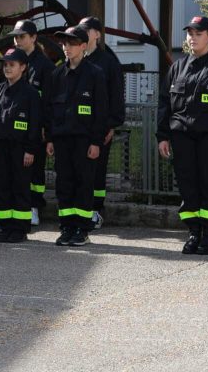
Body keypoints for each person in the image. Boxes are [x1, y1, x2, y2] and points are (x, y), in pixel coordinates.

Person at [157, 16, 208, 255]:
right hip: (182, 137)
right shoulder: (178, 67)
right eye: (190, 33)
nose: (192, 38)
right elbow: (165, 103)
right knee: (187, 185)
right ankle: (194, 232)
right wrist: (162, 136)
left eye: (198, 34)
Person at [47, 26, 106, 247]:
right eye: (64, 44)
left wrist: (96, 142)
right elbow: (49, 109)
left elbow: (101, 112)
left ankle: (82, 228)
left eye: (71, 43)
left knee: (84, 184)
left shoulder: (95, 74)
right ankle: (67, 227)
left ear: (83, 46)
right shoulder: (56, 75)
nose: (67, 48)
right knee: (64, 184)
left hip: (84, 140)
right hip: (62, 139)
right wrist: (50, 139)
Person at [0, 48, 42, 243]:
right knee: (3, 187)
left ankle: (20, 228)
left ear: (23, 67)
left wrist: (30, 150)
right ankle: (5, 227)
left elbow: (35, 125)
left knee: (20, 187)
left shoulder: (31, 93)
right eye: (5, 65)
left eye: (12, 64)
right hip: (2, 147)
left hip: (21, 149)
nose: (7, 68)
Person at [77, 17, 124, 230]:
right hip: (78, 127)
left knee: (97, 170)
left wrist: (111, 125)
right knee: (78, 171)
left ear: (97, 34)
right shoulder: (75, 59)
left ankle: (96, 210)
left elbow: (116, 96)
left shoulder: (108, 62)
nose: (82, 34)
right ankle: (79, 210)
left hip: (100, 128)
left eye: (86, 30)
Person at [8, 20, 55, 226]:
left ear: (34, 38)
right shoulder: (12, 61)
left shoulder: (45, 66)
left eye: (22, 36)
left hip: (36, 127)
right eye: (15, 37)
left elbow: (49, 101)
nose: (17, 41)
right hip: (15, 127)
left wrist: (46, 128)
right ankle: (18, 205)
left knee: (35, 169)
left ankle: (34, 206)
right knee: (16, 168)